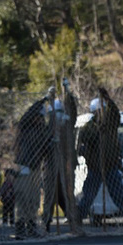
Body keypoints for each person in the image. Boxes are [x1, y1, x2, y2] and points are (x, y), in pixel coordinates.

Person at [77, 88, 123, 228]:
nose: (101, 113)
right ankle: (78, 219)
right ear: (94, 113)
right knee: (88, 196)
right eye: (99, 111)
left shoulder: (111, 124)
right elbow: (82, 145)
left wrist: (107, 98)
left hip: (111, 165)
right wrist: (95, 134)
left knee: (118, 195)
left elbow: (114, 112)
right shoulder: (88, 128)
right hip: (95, 167)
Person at [14, 97, 51, 239]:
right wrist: (42, 101)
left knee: (33, 199)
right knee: (22, 197)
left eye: (42, 117)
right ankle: (19, 228)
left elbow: (46, 146)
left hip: (35, 167)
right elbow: (27, 115)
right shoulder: (25, 126)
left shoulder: (43, 130)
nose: (40, 119)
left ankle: (31, 226)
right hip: (23, 165)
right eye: (39, 116)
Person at [42, 94, 73, 233]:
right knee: (50, 194)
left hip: (64, 165)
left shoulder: (66, 128)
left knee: (64, 193)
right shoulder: (47, 129)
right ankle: (47, 221)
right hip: (50, 166)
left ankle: (71, 217)